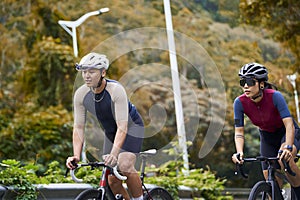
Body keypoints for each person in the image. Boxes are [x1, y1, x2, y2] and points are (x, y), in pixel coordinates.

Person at [66, 52, 144, 200]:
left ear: (103, 72)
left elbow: (123, 127)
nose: (87, 76)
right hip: (111, 132)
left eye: (91, 71)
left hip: (131, 127)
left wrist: (114, 154)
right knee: (112, 180)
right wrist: (76, 155)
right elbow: (78, 128)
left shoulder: (115, 90)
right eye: (84, 72)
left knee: (124, 165)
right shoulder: (80, 95)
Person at [231, 62, 300, 197]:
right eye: (243, 81)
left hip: (288, 132)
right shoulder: (239, 103)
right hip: (267, 137)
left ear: (261, 84)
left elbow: (289, 125)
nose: (246, 85)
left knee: (284, 160)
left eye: (250, 81)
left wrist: (288, 147)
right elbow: (239, 132)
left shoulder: (275, 96)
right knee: (270, 177)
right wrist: (239, 152)